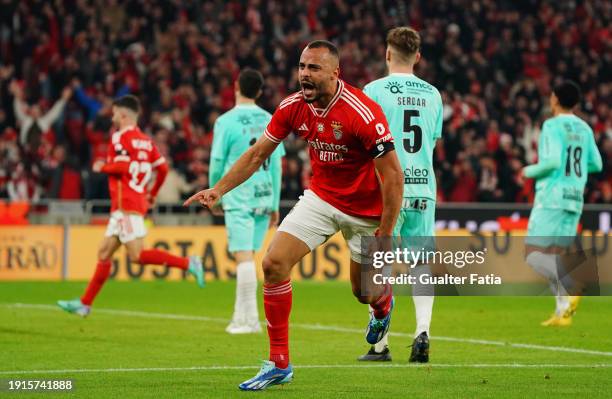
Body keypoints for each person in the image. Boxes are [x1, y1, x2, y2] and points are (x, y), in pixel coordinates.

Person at [185, 40, 403, 391]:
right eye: (302, 67)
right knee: (272, 263)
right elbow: (257, 156)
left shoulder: (362, 112)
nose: (304, 74)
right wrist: (219, 189)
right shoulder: (292, 107)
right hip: (320, 198)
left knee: (363, 293)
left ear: (335, 73)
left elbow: (393, 176)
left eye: (313, 68)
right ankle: (279, 363)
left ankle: (382, 303)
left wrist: (386, 231)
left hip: (365, 212)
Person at [57, 95, 204, 317]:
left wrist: (102, 166)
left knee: (137, 255)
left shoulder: (118, 138)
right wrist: (152, 194)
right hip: (129, 204)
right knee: (104, 252)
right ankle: (85, 303)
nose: (113, 116)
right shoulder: (146, 141)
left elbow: (123, 165)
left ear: (123, 115)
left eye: (115, 112)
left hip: (125, 204)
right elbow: (163, 169)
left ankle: (188, 263)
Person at [359, 27, 443, 363]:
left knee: (381, 261)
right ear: (418, 57)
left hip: (386, 189)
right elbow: (432, 142)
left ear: (387, 53)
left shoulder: (374, 90)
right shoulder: (434, 94)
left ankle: (380, 345)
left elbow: (365, 146)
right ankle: (423, 331)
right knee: (421, 264)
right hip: (423, 187)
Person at [210, 68, 285, 334]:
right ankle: (240, 316)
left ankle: (250, 320)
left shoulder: (226, 121)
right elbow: (277, 165)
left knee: (243, 258)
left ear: (236, 87)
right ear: (260, 92)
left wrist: (214, 191)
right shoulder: (269, 118)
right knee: (249, 256)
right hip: (264, 196)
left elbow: (218, 160)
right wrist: (275, 203)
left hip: (239, 196)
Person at [523, 80, 602, 326]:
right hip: (574, 198)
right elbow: (596, 164)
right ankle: (562, 312)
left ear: (555, 99)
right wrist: (575, 176)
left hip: (552, 197)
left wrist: (528, 171)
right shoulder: (585, 128)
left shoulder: (552, 125)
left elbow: (553, 162)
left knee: (533, 255)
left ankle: (572, 285)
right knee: (553, 256)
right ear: (576, 103)